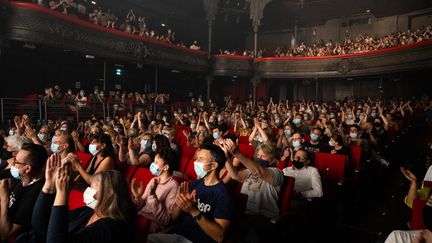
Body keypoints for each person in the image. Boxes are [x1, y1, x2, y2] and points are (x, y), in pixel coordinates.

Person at [25, 155, 136, 243]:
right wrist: (49, 186)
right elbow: (40, 224)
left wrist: (62, 193)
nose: (89, 189)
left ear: (109, 193)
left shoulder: (111, 228)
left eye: (93, 186)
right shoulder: (90, 211)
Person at [147, 144, 233, 243]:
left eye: (201, 159)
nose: (196, 162)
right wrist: (181, 203)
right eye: (197, 158)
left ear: (213, 165)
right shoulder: (193, 185)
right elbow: (174, 217)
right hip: (178, 236)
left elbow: (219, 236)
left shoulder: (224, 195)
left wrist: (194, 211)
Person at [222, 140, 283, 243]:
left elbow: (259, 172)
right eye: (257, 155)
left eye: (263, 156)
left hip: (263, 217)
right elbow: (235, 175)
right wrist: (225, 157)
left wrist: (237, 154)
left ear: (272, 160)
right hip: (244, 213)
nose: (258, 158)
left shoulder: (277, 173)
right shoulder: (251, 170)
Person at [0, 143, 47, 240]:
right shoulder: (19, 176)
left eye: (16, 161)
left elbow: (5, 234)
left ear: (27, 168)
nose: (12, 163)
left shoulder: (36, 194)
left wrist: (4, 199)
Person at [130, 148, 179, 232]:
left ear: (166, 167)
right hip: (140, 218)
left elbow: (166, 220)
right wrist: (137, 197)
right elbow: (140, 205)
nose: (153, 164)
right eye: (153, 161)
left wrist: (153, 196)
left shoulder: (173, 186)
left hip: (151, 227)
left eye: (156, 162)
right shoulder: (154, 180)